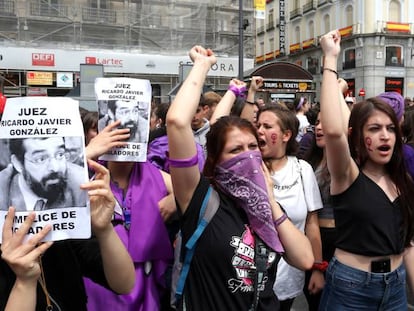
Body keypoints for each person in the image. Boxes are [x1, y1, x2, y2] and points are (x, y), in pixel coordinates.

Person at [166, 45, 314, 310]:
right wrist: (201, 64)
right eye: (235, 150)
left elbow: (304, 259)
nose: (247, 156)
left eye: (252, 147)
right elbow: (177, 122)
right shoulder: (200, 199)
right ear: (216, 160)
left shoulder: (262, 204)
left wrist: (269, 200)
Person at [318, 29, 414, 310]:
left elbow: (408, 243)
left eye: (389, 129)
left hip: (395, 287)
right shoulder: (347, 175)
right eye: (374, 129)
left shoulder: (403, 181)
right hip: (351, 289)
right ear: (358, 137)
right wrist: (330, 59)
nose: (384, 136)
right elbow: (335, 131)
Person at [0, 159, 135, 311]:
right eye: (39, 159)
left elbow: (124, 284)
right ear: (17, 165)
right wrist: (25, 282)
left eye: (58, 154)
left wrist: (104, 230)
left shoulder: (62, 217)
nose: (53, 167)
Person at [83, 121, 176, 311]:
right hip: (100, 278)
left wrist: (175, 199)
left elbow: (193, 192)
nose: (124, 140)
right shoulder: (86, 176)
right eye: (116, 133)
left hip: (145, 279)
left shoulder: (154, 174)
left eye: (132, 133)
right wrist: (84, 154)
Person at [256, 104, 324, 311]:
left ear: (286, 135)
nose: (259, 131)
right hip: (250, 280)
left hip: (288, 279)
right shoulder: (249, 168)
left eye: (267, 126)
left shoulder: (302, 170)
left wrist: (317, 268)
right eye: (257, 125)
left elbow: (311, 224)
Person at [0, 137, 87, 211]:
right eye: (41, 159)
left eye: (60, 154)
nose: (55, 167)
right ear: (17, 164)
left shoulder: (80, 186)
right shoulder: (3, 192)